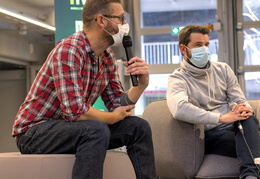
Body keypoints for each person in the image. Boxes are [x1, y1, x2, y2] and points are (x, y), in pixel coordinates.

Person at [12, 0, 157, 178]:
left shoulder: (107, 57)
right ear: (102, 20)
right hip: (35, 132)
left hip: (73, 128)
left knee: (138, 126)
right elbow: (75, 111)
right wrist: (111, 118)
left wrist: (141, 85)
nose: (125, 25)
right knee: (96, 129)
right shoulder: (69, 50)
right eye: (120, 19)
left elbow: (116, 102)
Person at [166, 24, 260, 179]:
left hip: (237, 125)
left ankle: (250, 176)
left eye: (206, 44)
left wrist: (242, 107)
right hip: (211, 134)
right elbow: (179, 108)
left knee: (248, 118)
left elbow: (238, 97)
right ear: (184, 49)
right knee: (250, 141)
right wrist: (221, 118)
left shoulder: (223, 69)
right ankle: (250, 174)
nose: (204, 49)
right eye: (198, 45)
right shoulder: (177, 78)